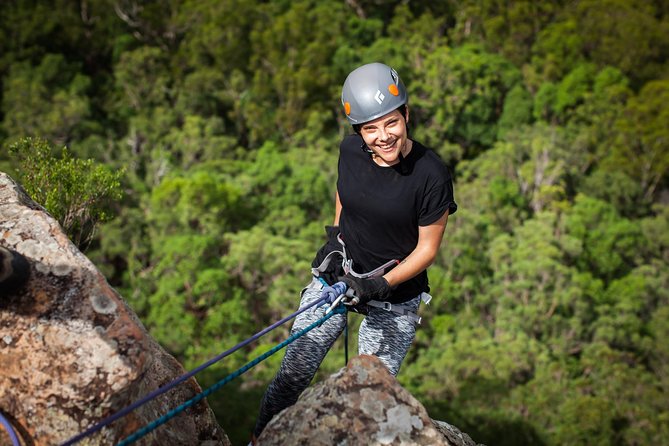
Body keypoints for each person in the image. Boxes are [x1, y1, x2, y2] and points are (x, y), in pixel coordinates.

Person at [251, 62, 457, 442]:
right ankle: (260, 440)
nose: (383, 136)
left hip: (394, 294)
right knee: (294, 372)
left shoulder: (431, 175)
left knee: (369, 397)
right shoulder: (351, 151)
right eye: (371, 128)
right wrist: (337, 236)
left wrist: (379, 285)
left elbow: (427, 250)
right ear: (358, 132)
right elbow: (345, 191)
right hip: (340, 276)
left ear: (407, 115)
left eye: (391, 122)